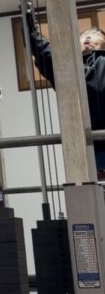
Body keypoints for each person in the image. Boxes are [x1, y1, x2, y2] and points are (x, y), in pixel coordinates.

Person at [27, 17, 105, 177]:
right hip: (86, 150)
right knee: (88, 186)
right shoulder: (67, 67)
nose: (88, 37)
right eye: (84, 35)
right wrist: (28, 20)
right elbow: (42, 50)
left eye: (94, 35)